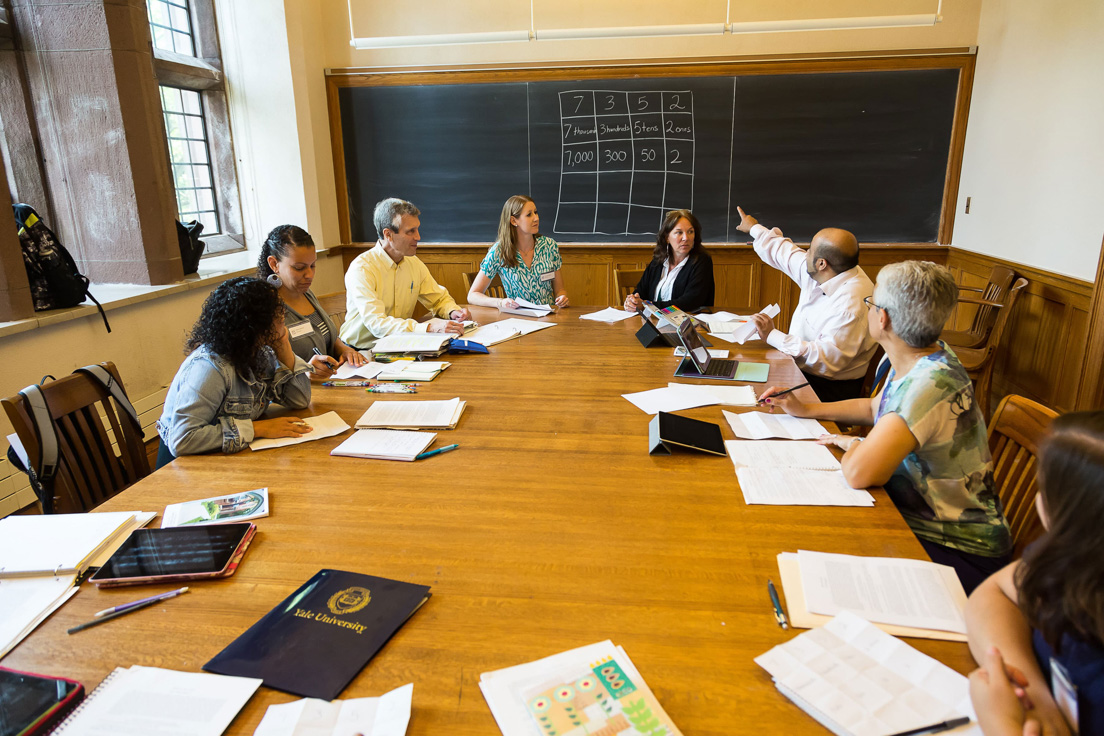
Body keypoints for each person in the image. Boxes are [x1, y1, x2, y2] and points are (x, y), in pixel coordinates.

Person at [760, 261, 1012, 593]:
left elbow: (859, 474)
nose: (868, 308)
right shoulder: (922, 355)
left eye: (871, 303)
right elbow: (873, 407)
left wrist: (856, 446)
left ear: (883, 319)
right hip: (918, 521)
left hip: (955, 550)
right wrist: (805, 408)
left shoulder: (929, 384)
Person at [966, 411, 1104, 736]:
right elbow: (995, 591)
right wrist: (1034, 692)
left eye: (1044, 490)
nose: (1038, 499)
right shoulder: (1067, 565)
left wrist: (1002, 725)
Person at [155, 276, 313, 468]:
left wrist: (283, 344)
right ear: (253, 326)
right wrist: (257, 428)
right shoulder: (209, 368)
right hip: (186, 471)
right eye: (277, 318)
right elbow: (183, 440)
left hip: (229, 461)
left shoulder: (259, 352)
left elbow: (300, 400)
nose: (283, 321)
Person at [735, 206, 876, 402]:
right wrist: (754, 227)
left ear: (822, 264)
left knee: (754, 397)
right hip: (800, 368)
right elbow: (785, 253)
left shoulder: (849, 306)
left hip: (829, 388)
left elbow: (824, 359)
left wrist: (772, 335)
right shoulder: (831, 269)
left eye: (810, 251)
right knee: (743, 379)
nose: (805, 253)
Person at [338, 198, 471, 350]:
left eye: (417, 229)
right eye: (410, 231)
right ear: (388, 234)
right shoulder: (362, 269)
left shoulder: (413, 263)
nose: (418, 237)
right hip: (359, 352)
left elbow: (438, 299)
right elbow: (377, 324)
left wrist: (453, 311)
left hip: (399, 346)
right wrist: (427, 328)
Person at [258, 224, 367, 379]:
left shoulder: (306, 293)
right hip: (301, 395)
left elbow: (326, 335)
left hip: (331, 383)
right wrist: (306, 372)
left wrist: (344, 349)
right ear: (274, 264)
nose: (309, 275)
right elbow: (266, 372)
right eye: (299, 268)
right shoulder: (265, 308)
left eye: (312, 265)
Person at [468, 195, 569, 309]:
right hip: (518, 318)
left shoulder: (549, 246)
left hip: (549, 316)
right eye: (529, 214)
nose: (536, 218)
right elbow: (472, 295)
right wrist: (500, 302)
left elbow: (560, 290)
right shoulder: (499, 251)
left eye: (536, 212)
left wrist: (562, 297)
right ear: (513, 220)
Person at [623, 209, 714, 314]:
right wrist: (633, 301)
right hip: (654, 323)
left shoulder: (702, 261)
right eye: (679, 232)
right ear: (667, 237)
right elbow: (640, 291)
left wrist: (648, 306)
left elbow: (691, 302)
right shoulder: (658, 260)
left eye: (690, 232)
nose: (686, 238)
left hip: (688, 325)